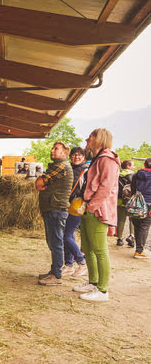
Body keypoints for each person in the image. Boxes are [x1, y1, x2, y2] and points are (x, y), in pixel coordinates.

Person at [73, 128, 120, 302]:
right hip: (89, 208)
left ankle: (102, 290)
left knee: (100, 250)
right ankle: (93, 282)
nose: (87, 139)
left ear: (99, 139)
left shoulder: (108, 159)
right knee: (88, 249)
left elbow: (106, 187)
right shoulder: (96, 159)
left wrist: (92, 207)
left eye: (90, 137)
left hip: (98, 210)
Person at [36, 142, 73, 286]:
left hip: (56, 209)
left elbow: (39, 183)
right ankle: (54, 271)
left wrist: (42, 182)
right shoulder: (56, 166)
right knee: (52, 241)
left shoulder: (62, 166)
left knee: (56, 242)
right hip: (51, 208)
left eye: (56, 149)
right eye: (52, 148)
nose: (52, 151)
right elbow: (41, 182)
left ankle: (57, 275)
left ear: (64, 153)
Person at [61, 147, 88, 277]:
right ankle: (69, 265)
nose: (76, 157)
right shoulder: (68, 168)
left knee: (66, 236)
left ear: (84, 157)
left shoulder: (85, 171)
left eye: (79, 155)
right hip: (66, 206)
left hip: (77, 206)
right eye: (74, 155)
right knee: (68, 236)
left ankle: (81, 263)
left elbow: (86, 189)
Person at [130, 158, 151, 259]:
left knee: (137, 225)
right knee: (145, 226)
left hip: (136, 203)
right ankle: (139, 251)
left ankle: (138, 249)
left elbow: (133, 190)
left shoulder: (136, 175)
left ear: (144, 164)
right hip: (148, 203)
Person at [116, 160, 135, 247]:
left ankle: (119, 239)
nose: (134, 167)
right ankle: (131, 236)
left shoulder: (117, 174)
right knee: (132, 220)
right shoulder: (133, 176)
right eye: (133, 165)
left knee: (121, 221)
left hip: (120, 201)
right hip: (130, 201)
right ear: (128, 166)